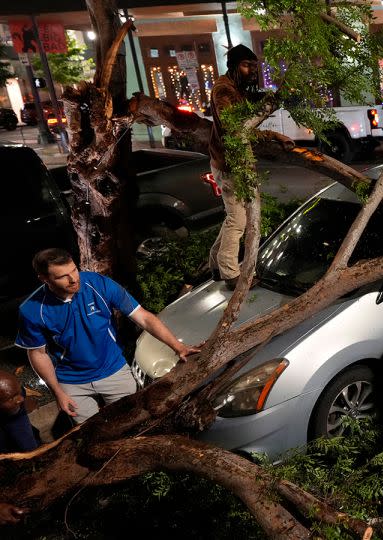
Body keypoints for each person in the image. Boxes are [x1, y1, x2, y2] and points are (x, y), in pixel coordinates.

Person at [15, 249, 200, 424]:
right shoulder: (32, 310)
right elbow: (38, 354)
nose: (73, 279)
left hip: (113, 369)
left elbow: (143, 317)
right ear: (44, 278)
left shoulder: (99, 284)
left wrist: (178, 347)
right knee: (91, 432)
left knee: (130, 422)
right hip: (71, 381)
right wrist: (57, 392)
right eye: (63, 276)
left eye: (74, 270)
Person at [208, 44, 293, 290]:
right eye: (247, 66)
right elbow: (237, 129)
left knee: (234, 217)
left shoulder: (235, 88)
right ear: (234, 66)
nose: (252, 72)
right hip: (229, 163)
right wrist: (273, 136)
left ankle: (215, 264)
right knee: (238, 220)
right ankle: (230, 274)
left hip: (232, 160)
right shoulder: (224, 89)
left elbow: (243, 127)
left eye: (254, 67)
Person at [0, 369, 38, 453]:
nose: (21, 399)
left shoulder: (13, 390)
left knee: (29, 446)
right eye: (12, 398)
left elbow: (23, 433)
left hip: (12, 415)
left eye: (19, 393)